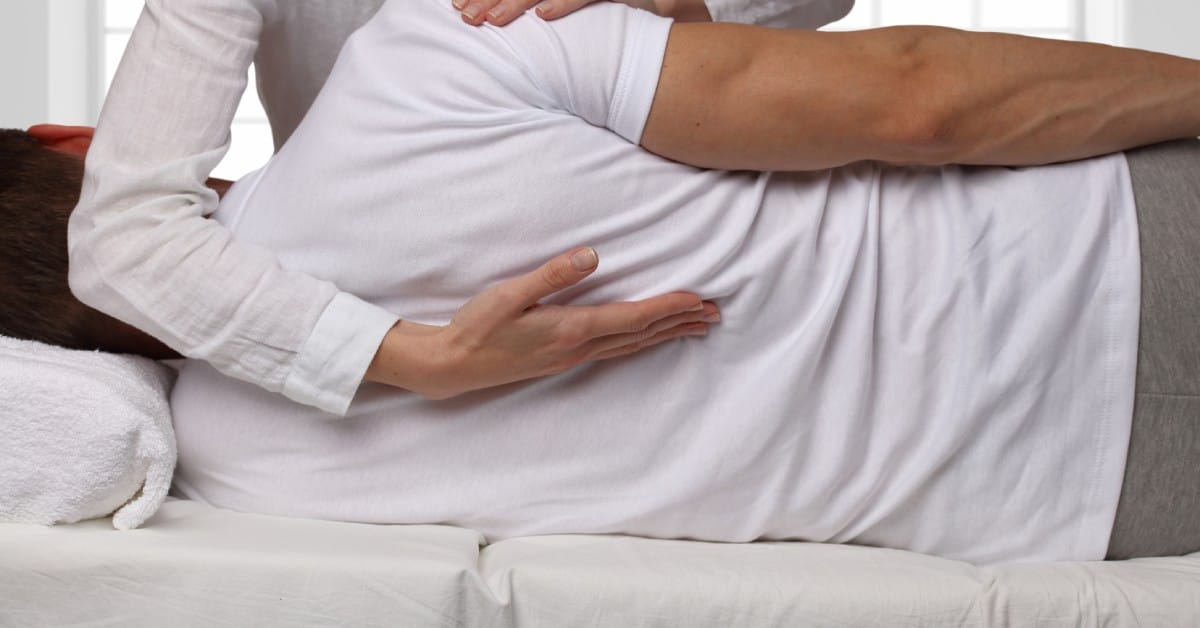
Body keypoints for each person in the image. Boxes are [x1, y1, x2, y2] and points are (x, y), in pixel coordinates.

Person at [5, 0, 1198, 565]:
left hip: (1091, 509)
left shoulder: (241, 480)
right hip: (1115, 250)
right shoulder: (436, 58)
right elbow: (919, 99)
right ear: (72, 136)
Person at [68, 0, 852, 420]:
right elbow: (124, 233)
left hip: (701, 230)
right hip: (427, 313)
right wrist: (417, 359)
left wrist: (685, 4)